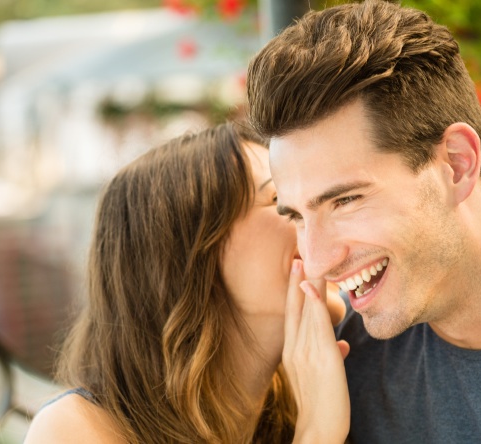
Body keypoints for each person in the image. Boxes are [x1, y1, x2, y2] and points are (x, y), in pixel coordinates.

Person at [246, 0, 481, 442]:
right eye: (297, 216)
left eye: (345, 201)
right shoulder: (333, 375)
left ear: (456, 164)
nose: (318, 262)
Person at [23, 122, 350, 443]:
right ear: (191, 255)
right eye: (280, 199)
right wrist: (317, 434)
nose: (314, 215)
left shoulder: (343, 367)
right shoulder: (74, 431)